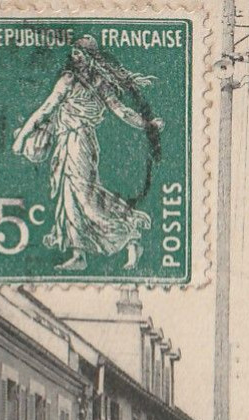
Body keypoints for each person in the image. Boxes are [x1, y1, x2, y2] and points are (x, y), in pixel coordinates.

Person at [11, 35, 163, 272]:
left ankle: (129, 235)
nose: (75, 57)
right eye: (74, 53)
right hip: (66, 141)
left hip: (81, 142)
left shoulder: (97, 83)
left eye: (79, 53)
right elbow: (47, 109)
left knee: (85, 197)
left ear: (91, 57)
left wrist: (147, 124)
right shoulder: (68, 79)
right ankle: (78, 253)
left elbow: (121, 111)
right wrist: (22, 138)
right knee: (69, 196)